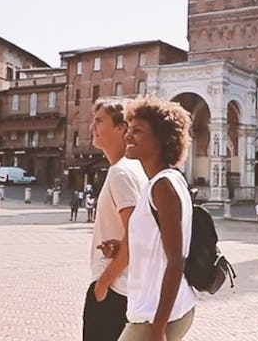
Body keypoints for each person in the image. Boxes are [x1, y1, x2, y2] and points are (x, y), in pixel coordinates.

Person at [118, 95, 196, 341]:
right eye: (129, 129)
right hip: (159, 311)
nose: (128, 136)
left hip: (157, 316)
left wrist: (158, 329)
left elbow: (175, 261)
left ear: (162, 139)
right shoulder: (163, 182)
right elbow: (156, 245)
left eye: (138, 131)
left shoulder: (163, 186)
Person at [83, 97, 150, 341]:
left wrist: (103, 284)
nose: (93, 127)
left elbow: (138, 236)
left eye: (99, 121)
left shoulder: (121, 172)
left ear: (121, 127)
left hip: (114, 291)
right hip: (128, 291)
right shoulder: (136, 169)